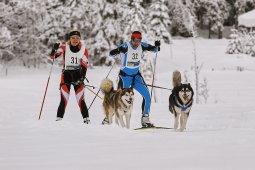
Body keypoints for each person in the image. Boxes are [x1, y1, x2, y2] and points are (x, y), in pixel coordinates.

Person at [102, 31, 160, 127]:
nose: (137, 42)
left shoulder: (142, 45)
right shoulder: (125, 46)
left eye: (139, 40)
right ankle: (108, 118)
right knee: (118, 99)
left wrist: (157, 46)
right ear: (131, 39)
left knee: (147, 96)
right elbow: (111, 54)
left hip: (136, 77)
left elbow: (154, 49)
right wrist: (116, 51)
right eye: (135, 40)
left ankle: (145, 119)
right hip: (125, 77)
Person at [50, 30, 90, 124]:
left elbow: (84, 66)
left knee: (81, 99)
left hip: (78, 76)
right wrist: (54, 49)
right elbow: (53, 57)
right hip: (66, 75)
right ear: (70, 39)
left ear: (79, 39)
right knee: (64, 99)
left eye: (77, 38)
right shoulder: (64, 48)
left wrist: (82, 78)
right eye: (73, 38)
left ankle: (86, 120)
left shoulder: (84, 50)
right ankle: (59, 120)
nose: (75, 40)